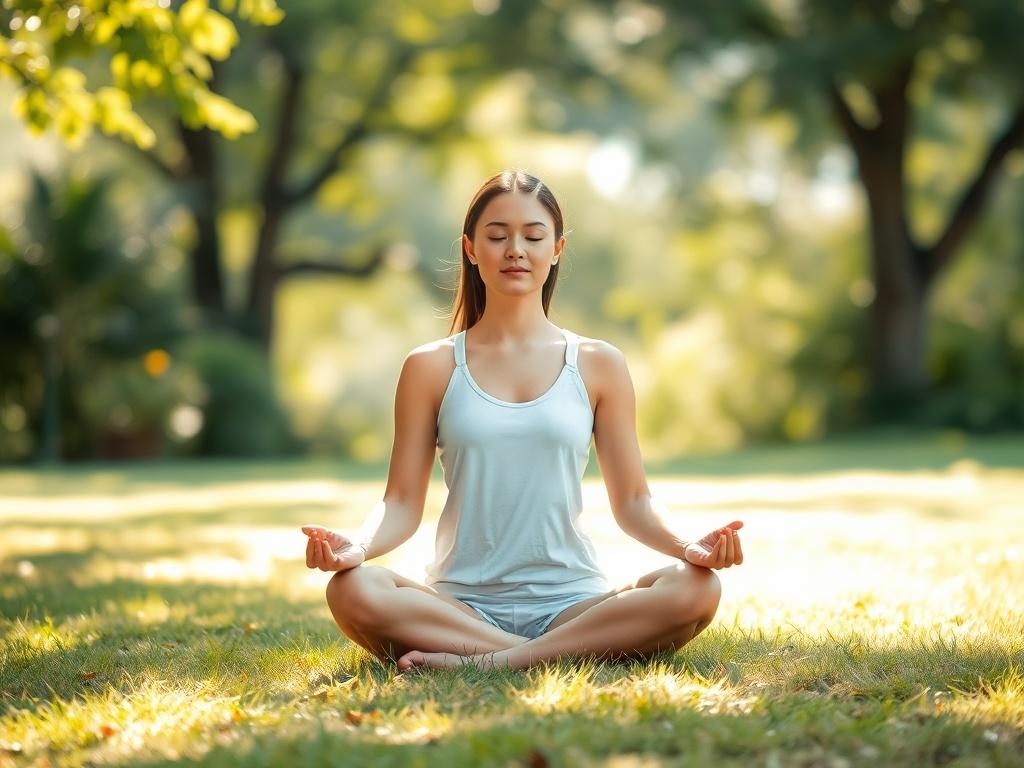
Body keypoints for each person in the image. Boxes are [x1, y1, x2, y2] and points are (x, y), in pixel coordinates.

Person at [301, 169, 744, 673]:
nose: (515, 250)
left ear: (557, 249)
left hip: (572, 605)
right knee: (353, 588)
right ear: (471, 249)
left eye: (533, 236)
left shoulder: (599, 363)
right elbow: (400, 503)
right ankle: (544, 656)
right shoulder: (430, 366)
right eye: (497, 236)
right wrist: (356, 547)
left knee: (695, 587)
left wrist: (689, 546)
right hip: (459, 605)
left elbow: (634, 503)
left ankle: (491, 662)